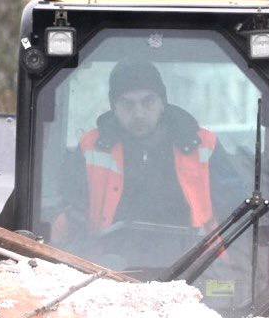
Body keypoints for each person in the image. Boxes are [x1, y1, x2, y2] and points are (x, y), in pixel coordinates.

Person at [61, 59, 243, 239]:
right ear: (113, 107)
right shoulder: (90, 148)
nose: (138, 113)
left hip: (197, 261)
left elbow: (236, 213)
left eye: (148, 102)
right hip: (106, 263)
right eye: (127, 104)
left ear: (162, 102)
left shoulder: (204, 145)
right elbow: (72, 216)